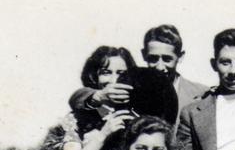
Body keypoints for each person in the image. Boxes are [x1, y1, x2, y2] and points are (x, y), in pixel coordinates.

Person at [69, 24, 206, 120]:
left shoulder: (200, 93)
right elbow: (78, 97)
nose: (159, 66)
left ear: (180, 57)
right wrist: (98, 96)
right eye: (153, 59)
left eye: (167, 59)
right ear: (144, 54)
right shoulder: (135, 84)